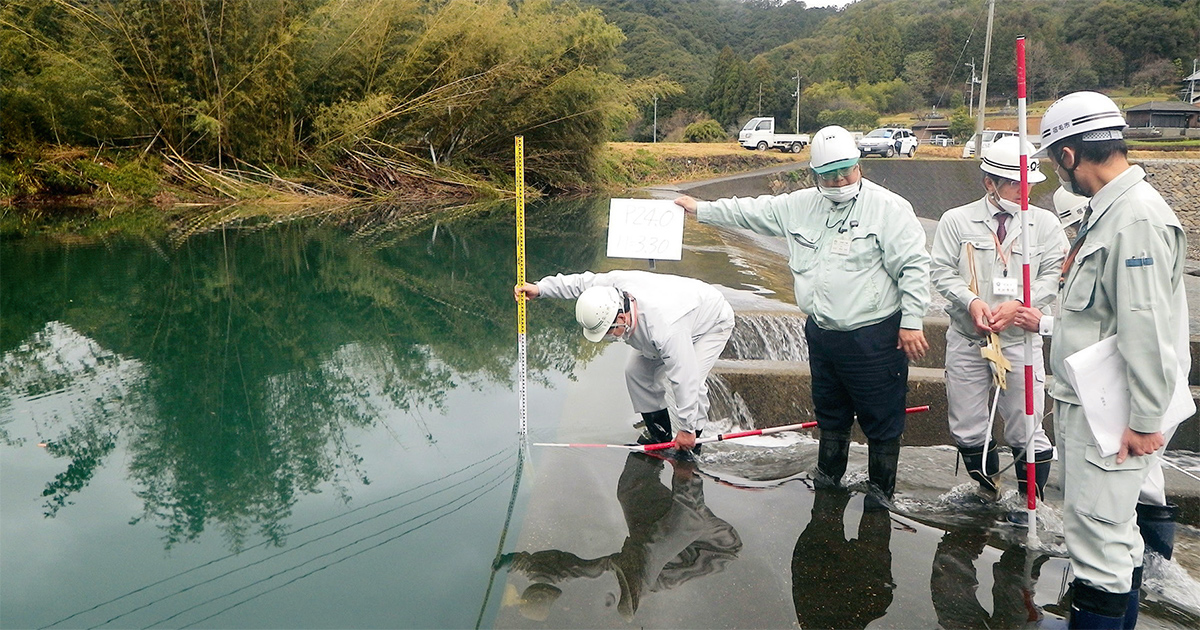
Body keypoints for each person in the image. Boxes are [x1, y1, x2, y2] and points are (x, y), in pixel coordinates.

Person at [674, 125, 930, 506]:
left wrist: (912, 321)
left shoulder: (889, 208)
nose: (841, 180)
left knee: (882, 419)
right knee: (830, 413)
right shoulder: (799, 206)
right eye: (831, 174)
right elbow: (751, 210)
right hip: (822, 334)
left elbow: (913, 266)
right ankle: (828, 480)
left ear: (859, 165)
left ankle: (881, 496)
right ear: (815, 174)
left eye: (848, 170)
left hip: (874, 335)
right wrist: (699, 209)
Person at [1011, 91, 1187, 629]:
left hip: (1112, 413)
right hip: (1094, 399)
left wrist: (1146, 421)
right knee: (1114, 535)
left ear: (1069, 155)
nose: (1054, 171)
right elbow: (1101, 315)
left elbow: (1147, 328)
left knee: (1097, 539)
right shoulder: (1112, 211)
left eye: (1052, 158)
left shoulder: (1132, 220)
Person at [929, 136, 1068, 506]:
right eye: (1014, 185)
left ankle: (1029, 504)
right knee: (968, 426)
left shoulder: (1046, 225)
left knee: (1028, 426)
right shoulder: (957, 220)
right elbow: (941, 272)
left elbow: (1054, 275)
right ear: (989, 182)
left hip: (1021, 339)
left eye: (1029, 186)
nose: (1024, 193)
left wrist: (1023, 304)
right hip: (969, 336)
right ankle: (985, 493)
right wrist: (972, 301)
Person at [497, 452, 742, 622]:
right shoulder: (643, 571)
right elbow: (688, 521)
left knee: (630, 489)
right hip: (711, 546)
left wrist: (526, 565)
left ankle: (655, 436)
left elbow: (573, 569)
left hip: (663, 542)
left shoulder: (603, 578)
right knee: (666, 530)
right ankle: (676, 456)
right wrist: (685, 471)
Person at [515, 270, 735, 451]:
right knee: (635, 372)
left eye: (610, 331)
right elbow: (580, 282)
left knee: (694, 381)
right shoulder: (612, 287)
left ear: (621, 317)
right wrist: (541, 289)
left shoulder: (666, 329)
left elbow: (684, 378)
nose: (609, 337)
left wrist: (686, 429)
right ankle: (660, 435)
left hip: (710, 323)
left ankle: (693, 442)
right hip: (678, 309)